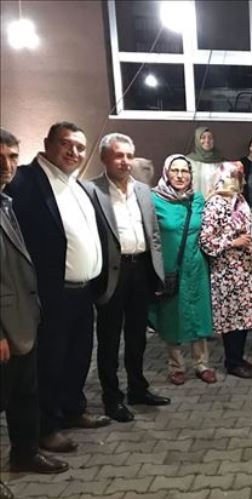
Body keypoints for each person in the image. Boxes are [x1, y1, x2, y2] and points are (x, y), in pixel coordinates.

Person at [7, 121, 110, 454]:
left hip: (83, 292)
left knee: (77, 357)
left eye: (80, 147)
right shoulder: (24, 182)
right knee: (49, 363)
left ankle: (72, 408)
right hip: (50, 294)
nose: (74, 152)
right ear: (47, 143)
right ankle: (46, 427)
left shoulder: (76, 185)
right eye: (67, 144)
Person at [0, 129, 69, 499]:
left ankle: (24, 453)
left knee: (24, 393)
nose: (7, 165)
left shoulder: (6, 203)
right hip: (4, 327)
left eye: (13, 156)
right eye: (0, 157)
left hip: (23, 318)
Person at [86, 133, 170, 423]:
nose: (125, 161)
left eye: (129, 156)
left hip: (140, 270)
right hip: (111, 273)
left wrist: (156, 271)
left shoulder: (143, 191)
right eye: (118, 155)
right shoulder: (91, 190)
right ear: (104, 158)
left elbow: (154, 233)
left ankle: (138, 388)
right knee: (109, 339)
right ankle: (112, 398)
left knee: (137, 335)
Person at [149, 154, 216, 385]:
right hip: (170, 268)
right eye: (175, 171)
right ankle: (176, 366)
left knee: (199, 314)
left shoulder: (197, 199)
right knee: (172, 316)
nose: (180, 176)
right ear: (166, 173)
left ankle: (202, 364)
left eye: (184, 171)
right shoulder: (154, 199)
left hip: (196, 267)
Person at [199, 162, 252, 379]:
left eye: (238, 176)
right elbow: (207, 240)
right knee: (232, 318)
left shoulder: (240, 199)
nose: (236, 180)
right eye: (232, 176)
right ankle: (232, 361)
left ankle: (238, 357)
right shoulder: (215, 203)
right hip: (227, 271)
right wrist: (232, 242)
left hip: (245, 269)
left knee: (243, 318)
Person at [186, 126, 224, 199]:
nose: (207, 140)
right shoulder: (188, 161)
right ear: (197, 140)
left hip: (215, 203)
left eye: (210, 138)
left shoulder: (222, 163)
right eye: (203, 138)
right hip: (193, 203)